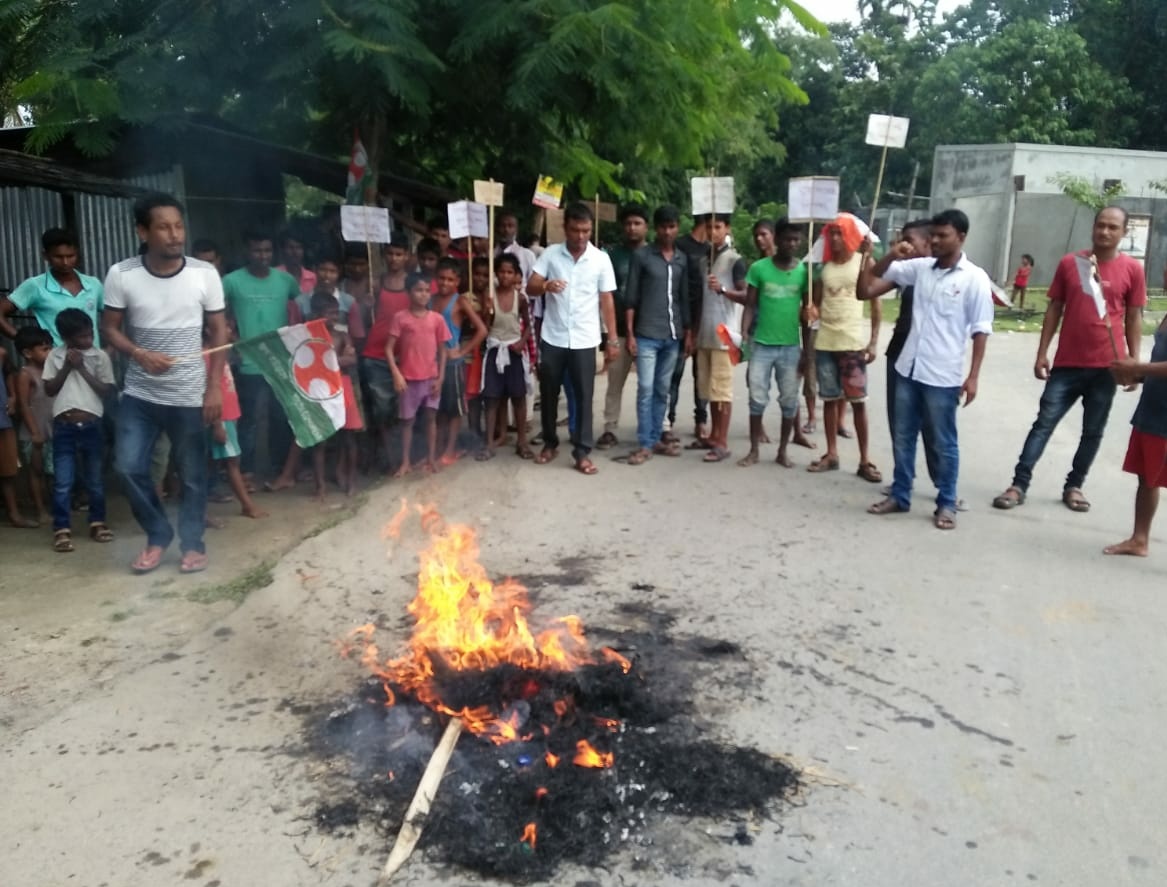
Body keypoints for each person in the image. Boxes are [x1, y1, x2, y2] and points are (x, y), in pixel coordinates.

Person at [102, 191, 229, 574]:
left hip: (190, 394)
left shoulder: (204, 274)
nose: (175, 235)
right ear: (143, 231)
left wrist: (214, 387)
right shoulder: (121, 274)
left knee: (192, 475)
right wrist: (139, 354)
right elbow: (109, 329)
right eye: (163, 227)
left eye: (179, 225)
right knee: (126, 467)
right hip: (140, 394)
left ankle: (192, 544)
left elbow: (219, 331)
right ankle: (158, 534)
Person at [992, 207, 1145, 514]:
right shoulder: (1071, 263)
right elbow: (1054, 308)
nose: (1104, 232)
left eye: (1112, 227)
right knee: (1043, 424)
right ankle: (1018, 484)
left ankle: (1074, 485)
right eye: (1100, 225)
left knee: (1093, 431)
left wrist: (1134, 363)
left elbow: (1133, 316)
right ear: (1093, 227)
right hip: (1067, 365)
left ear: (1123, 232)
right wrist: (1041, 353)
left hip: (1107, 368)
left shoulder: (1132, 270)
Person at [867, 208, 993, 530]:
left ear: (961, 238)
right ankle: (900, 494)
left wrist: (974, 376)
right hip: (908, 368)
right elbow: (877, 277)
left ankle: (946, 502)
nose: (935, 241)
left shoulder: (975, 278)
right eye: (933, 235)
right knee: (903, 437)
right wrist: (888, 254)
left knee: (943, 442)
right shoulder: (921, 269)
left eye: (942, 236)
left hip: (943, 376)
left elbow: (981, 329)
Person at [527, 202, 619, 475]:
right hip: (553, 338)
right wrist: (545, 286)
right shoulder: (551, 255)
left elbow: (607, 301)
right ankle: (550, 443)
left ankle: (582, 452)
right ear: (565, 228)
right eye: (575, 230)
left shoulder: (600, 259)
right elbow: (530, 286)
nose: (581, 236)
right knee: (549, 394)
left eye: (586, 230)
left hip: (584, 339)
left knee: (583, 397)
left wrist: (612, 339)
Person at [807, 214, 881, 482]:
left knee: (858, 403)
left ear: (850, 235)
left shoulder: (863, 262)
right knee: (829, 399)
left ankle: (864, 460)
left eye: (840, 233)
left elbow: (875, 304)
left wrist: (873, 341)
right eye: (832, 234)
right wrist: (810, 310)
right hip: (826, 342)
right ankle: (832, 454)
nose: (835, 239)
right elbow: (816, 303)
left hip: (851, 343)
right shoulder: (823, 268)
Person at [223, 231, 301, 482]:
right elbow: (217, 314)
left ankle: (280, 469)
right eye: (257, 251)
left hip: (280, 360)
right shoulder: (231, 281)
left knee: (281, 417)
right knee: (248, 419)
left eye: (267, 250)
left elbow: (301, 309)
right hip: (248, 361)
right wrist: (230, 337)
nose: (263, 256)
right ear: (247, 251)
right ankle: (246, 471)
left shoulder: (286, 281)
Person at [269, 292, 361, 498]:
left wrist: (327, 360)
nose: (334, 318)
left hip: (342, 387)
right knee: (320, 439)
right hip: (319, 391)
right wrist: (334, 360)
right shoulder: (307, 337)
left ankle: (351, 480)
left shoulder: (342, 336)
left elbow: (351, 361)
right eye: (329, 313)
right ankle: (320, 487)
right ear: (315, 314)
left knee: (349, 437)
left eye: (336, 313)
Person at [42, 308, 116, 553]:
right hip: (64, 426)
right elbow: (50, 389)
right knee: (63, 482)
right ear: (67, 338)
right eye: (81, 337)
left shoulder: (99, 357)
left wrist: (82, 368)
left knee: (95, 480)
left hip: (92, 426)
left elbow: (105, 390)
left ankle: (98, 522)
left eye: (89, 334)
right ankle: (61, 529)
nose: (88, 340)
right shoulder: (54, 356)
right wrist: (66, 367)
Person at [738, 217, 810, 468]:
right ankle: (754, 450)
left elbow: (808, 316)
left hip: (791, 347)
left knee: (789, 401)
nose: (791, 244)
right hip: (761, 345)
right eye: (787, 239)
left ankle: (782, 451)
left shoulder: (804, 272)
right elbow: (750, 305)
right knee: (757, 397)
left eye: (796, 240)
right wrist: (744, 333)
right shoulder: (759, 268)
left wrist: (807, 351)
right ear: (777, 239)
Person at [622, 205, 690, 465]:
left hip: (672, 336)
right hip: (646, 335)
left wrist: (688, 334)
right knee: (646, 389)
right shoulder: (642, 256)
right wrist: (629, 334)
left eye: (672, 227)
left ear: (677, 228)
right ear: (656, 228)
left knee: (663, 390)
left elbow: (684, 299)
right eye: (663, 227)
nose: (668, 231)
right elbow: (631, 298)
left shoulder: (682, 259)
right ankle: (645, 442)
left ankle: (656, 437)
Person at [1105, 310, 1167, 557]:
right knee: (1147, 477)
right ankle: (1139, 539)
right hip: (1152, 407)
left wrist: (1138, 366)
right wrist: (1136, 375)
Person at [693, 214, 748, 462]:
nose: (713, 231)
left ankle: (722, 442)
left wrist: (723, 290)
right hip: (705, 333)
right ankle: (714, 436)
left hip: (724, 334)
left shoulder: (734, 260)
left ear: (727, 228)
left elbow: (746, 295)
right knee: (709, 390)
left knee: (722, 390)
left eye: (718, 226)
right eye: (709, 226)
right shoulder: (705, 260)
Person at [385, 273, 450, 477]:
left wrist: (440, 377)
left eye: (426, 291)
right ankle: (405, 461)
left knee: (431, 419)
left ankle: (430, 458)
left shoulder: (436, 319)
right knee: (407, 422)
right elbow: (388, 349)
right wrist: (396, 374)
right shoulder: (400, 318)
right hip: (408, 379)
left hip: (431, 378)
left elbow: (443, 350)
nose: (423, 295)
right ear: (409, 292)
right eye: (418, 290)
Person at [597, 203, 648, 449]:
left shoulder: (655, 255)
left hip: (649, 332)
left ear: (646, 227)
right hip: (618, 328)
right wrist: (610, 335)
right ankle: (610, 428)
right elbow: (605, 296)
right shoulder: (611, 256)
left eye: (637, 223)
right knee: (614, 382)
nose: (632, 228)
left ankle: (655, 429)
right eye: (628, 223)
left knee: (650, 385)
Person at [360, 235, 413, 468]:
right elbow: (362, 320)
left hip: (407, 355)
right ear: (383, 256)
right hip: (376, 354)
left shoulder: (413, 284)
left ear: (407, 257)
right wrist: (367, 304)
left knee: (404, 410)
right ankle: (390, 457)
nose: (394, 258)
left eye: (399, 254)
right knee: (380, 409)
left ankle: (404, 456)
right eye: (390, 253)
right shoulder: (376, 282)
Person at [0, 228, 104, 346]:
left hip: (94, 361)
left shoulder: (93, 284)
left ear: (77, 253)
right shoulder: (35, 285)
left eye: (70, 256)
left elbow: (112, 318)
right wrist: (28, 342)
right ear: (45, 256)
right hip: (55, 362)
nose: (65, 262)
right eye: (58, 257)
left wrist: (110, 349)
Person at [204, 325, 267, 520]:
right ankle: (247, 505)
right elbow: (205, 391)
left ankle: (200, 512)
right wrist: (217, 424)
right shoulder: (206, 356)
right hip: (221, 417)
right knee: (232, 462)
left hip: (230, 414)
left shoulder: (221, 352)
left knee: (213, 464)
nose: (230, 330)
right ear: (208, 330)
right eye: (227, 326)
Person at [429, 257, 487, 465]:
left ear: (457, 281)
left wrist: (462, 352)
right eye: (441, 278)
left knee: (454, 410)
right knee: (438, 410)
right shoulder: (430, 299)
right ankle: (438, 448)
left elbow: (481, 330)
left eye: (449, 279)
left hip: (452, 365)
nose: (445, 283)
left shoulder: (460, 301)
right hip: (431, 363)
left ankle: (451, 449)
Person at [477, 254, 535, 461]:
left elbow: (529, 324)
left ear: (516, 275)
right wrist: (486, 310)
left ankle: (522, 441)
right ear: (496, 273)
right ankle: (489, 444)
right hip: (494, 351)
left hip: (514, 351)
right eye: (501, 271)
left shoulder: (520, 298)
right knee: (491, 398)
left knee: (518, 398)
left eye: (509, 272)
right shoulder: (489, 294)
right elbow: (485, 325)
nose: (505, 276)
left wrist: (522, 343)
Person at [669, 215, 710, 440]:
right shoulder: (681, 246)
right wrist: (687, 328)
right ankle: (669, 420)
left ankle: (701, 420)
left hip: (706, 320)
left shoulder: (713, 250)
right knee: (674, 374)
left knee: (701, 375)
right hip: (681, 317)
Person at [14, 326, 54, 524]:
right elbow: (24, 405)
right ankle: (40, 510)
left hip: (52, 428)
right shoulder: (25, 374)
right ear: (28, 353)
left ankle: (54, 505)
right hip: (34, 431)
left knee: (51, 471)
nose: (49, 352)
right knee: (36, 471)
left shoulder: (51, 370)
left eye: (50, 347)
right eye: (44, 349)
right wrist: (35, 432)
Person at [0, 345, 35, 528]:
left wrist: (12, 396)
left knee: (7, 471)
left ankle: (14, 514)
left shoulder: (1, 353)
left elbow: (9, 373)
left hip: (2, 419)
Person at [276, 229, 317, 295]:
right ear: (283, 250)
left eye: (299, 247)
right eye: (290, 247)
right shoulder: (275, 275)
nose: (295, 252)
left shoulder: (312, 278)